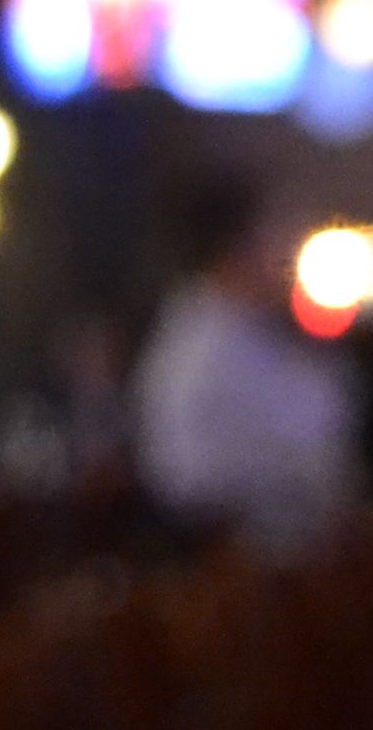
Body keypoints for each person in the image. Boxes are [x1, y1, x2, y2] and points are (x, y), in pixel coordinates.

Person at [134, 173, 356, 550]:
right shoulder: (201, 349)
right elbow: (184, 480)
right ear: (240, 247)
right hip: (250, 560)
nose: (286, 253)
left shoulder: (253, 331)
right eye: (274, 234)